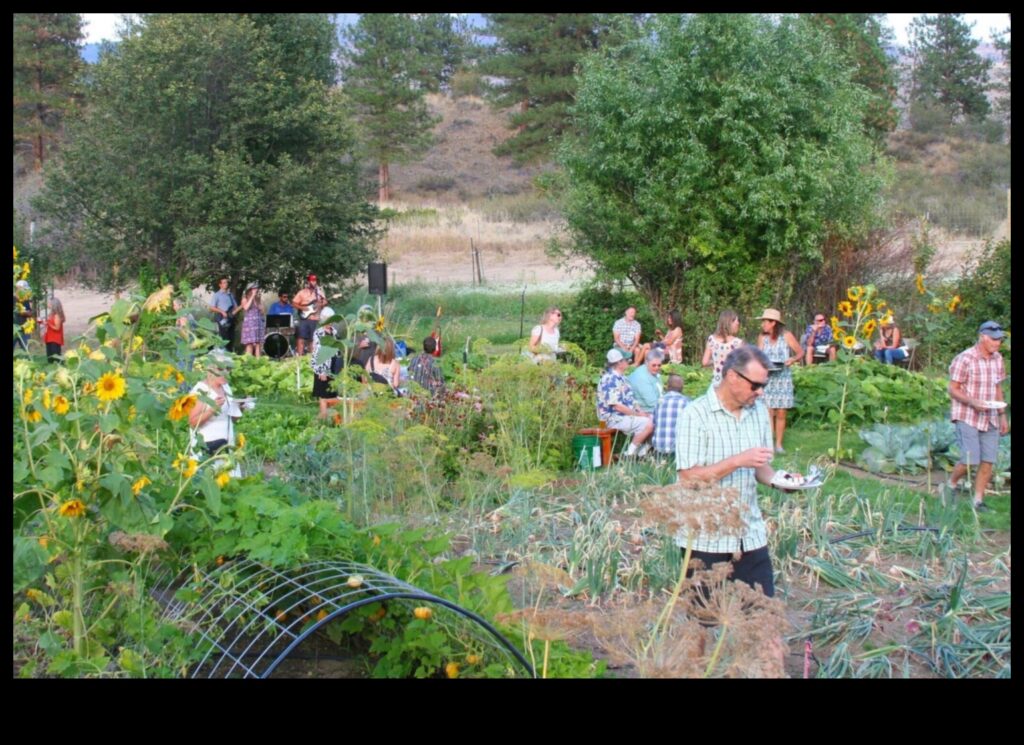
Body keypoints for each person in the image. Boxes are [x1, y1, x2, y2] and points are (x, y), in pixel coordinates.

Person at [676, 345, 799, 598]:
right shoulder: (695, 415)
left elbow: (760, 467)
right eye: (755, 385)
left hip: (749, 533)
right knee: (703, 622)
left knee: (763, 614)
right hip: (706, 537)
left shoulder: (759, 413)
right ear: (732, 376)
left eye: (763, 385)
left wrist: (780, 481)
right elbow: (689, 478)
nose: (761, 392)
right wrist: (738, 461)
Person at [945, 321, 1009, 512]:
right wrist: (972, 401)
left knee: (988, 460)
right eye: (994, 339)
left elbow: (997, 388)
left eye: (1000, 340)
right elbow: (952, 388)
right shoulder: (964, 359)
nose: (997, 343)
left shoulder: (998, 359)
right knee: (970, 459)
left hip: (990, 415)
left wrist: (1002, 415)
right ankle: (951, 484)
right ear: (982, 337)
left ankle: (978, 501)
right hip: (967, 414)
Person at [755, 308, 803, 454]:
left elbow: (801, 352)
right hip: (768, 378)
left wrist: (792, 359)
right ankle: (769, 445)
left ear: (773, 323)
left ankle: (779, 444)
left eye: (765, 321)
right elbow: (758, 356)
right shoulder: (762, 338)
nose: (763, 324)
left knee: (781, 412)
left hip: (783, 378)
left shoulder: (786, 336)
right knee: (769, 411)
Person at [188, 349, 250, 457]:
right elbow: (192, 422)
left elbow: (230, 420)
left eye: (228, 368)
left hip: (226, 446)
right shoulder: (200, 390)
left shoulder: (226, 387)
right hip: (207, 448)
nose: (225, 372)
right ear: (210, 369)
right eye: (221, 368)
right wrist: (213, 409)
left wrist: (241, 407)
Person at [597, 349, 653, 458]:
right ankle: (629, 454)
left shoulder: (623, 378)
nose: (629, 361)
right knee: (648, 423)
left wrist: (641, 411)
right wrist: (638, 415)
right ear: (619, 363)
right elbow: (617, 406)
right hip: (613, 419)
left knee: (654, 419)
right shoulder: (609, 379)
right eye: (627, 360)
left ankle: (641, 453)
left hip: (626, 416)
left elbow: (632, 400)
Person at [310, 307, 343, 419]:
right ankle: (323, 418)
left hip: (333, 366)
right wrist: (321, 371)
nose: (330, 323)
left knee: (332, 393)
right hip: (323, 368)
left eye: (331, 320)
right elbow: (317, 353)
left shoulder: (334, 333)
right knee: (323, 394)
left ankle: (332, 418)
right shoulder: (318, 333)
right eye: (328, 320)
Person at [652, 373, 690, 458]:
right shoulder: (687, 402)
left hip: (659, 448)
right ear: (682, 387)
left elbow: (654, 423)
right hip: (679, 450)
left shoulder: (659, 401)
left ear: (668, 386)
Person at [701, 310, 743, 387]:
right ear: (729, 322)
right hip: (731, 383)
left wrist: (716, 361)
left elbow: (704, 362)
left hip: (716, 382)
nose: (738, 323)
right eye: (736, 321)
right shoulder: (738, 343)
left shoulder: (711, 339)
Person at [293, 274, 326, 356]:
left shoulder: (319, 293)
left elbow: (324, 302)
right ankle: (299, 358)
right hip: (304, 318)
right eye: (311, 280)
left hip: (314, 319)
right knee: (301, 338)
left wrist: (323, 304)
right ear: (308, 281)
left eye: (314, 280)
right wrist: (302, 308)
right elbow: (294, 303)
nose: (313, 282)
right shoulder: (302, 292)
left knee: (312, 339)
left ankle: (311, 358)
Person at [627, 348, 665, 414]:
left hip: (656, 405)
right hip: (645, 411)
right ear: (646, 363)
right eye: (654, 365)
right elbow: (652, 403)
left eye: (659, 365)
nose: (657, 368)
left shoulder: (652, 372)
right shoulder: (642, 377)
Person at [208, 277, 239, 347]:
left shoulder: (230, 295)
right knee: (223, 339)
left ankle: (231, 355)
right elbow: (211, 308)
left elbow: (235, 307)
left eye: (227, 282)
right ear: (220, 285)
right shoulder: (217, 295)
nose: (226, 284)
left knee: (231, 339)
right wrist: (222, 311)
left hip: (230, 319)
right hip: (222, 319)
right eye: (224, 283)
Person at [238, 282, 266, 357]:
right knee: (249, 343)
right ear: (249, 290)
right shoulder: (245, 299)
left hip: (258, 323)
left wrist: (258, 301)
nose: (256, 290)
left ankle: (258, 362)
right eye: (254, 289)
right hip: (249, 323)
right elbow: (246, 307)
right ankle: (248, 362)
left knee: (258, 343)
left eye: (257, 289)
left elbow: (262, 311)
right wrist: (252, 297)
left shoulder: (257, 299)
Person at [43, 296, 66, 363]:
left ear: (53, 305)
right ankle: (51, 367)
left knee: (55, 355)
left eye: (49, 303)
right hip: (50, 337)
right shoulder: (52, 314)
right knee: (49, 355)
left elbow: (57, 328)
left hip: (55, 338)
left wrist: (48, 324)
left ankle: (60, 366)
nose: (48, 304)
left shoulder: (57, 315)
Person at [14, 279, 33, 352]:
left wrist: (27, 313)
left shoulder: (25, 299)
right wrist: (24, 312)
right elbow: (20, 312)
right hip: (14, 329)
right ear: (19, 289)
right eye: (24, 289)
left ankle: (26, 362)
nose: (26, 291)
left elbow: (30, 312)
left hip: (25, 329)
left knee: (26, 350)